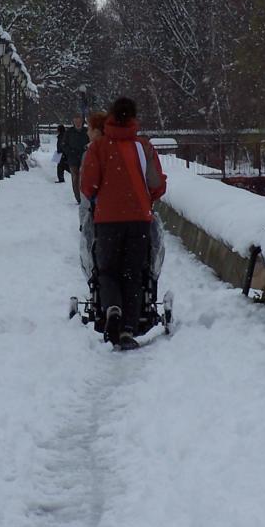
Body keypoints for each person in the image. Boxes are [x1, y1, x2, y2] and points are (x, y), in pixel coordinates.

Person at [80, 97, 166, 350]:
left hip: (107, 220)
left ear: (110, 117)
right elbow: (156, 184)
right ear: (133, 118)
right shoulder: (143, 147)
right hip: (139, 219)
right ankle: (128, 329)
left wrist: (103, 198)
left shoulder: (98, 148)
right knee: (134, 272)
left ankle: (112, 310)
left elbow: (87, 185)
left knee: (107, 270)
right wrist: (143, 198)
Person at [62, 114, 90, 203]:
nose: (78, 123)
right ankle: (78, 198)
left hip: (85, 158)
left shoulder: (87, 131)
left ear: (82, 121)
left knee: (84, 178)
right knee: (75, 177)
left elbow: (92, 143)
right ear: (73, 122)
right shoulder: (69, 132)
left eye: (79, 121)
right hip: (73, 159)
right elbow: (64, 145)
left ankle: (85, 196)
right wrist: (70, 152)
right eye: (76, 121)